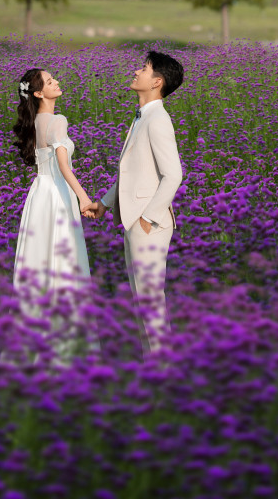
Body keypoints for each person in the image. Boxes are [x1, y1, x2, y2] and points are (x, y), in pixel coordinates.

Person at [83, 51, 183, 355]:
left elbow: (174, 175)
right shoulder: (144, 116)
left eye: (144, 68)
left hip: (148, 225)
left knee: (150, 301)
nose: (136, 71)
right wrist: (104, 203)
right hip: (135, 221)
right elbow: (134, 173)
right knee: (143, 300)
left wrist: (147, 219)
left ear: (156, 82)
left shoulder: (157, 119)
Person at [3, 67, 96, 363]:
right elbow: (64, 166)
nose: (57, 82)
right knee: (63, 262)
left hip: (39, 194)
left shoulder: (35, 122)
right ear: (39, 93)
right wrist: (84, 198)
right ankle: (64, 345)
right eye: (49, 81)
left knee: (39, 261)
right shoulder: (57, 120)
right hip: (57, 193)